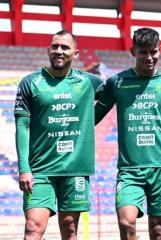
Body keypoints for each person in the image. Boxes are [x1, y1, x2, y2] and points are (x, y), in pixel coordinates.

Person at [94, 27, 161, 240]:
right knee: (126, 223)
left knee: (158, 230)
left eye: (153, 51)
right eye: (143, 52)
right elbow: (93, 117)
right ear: (132, 51)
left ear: (160, 50)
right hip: (129, 169)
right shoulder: (117, 82)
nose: (149, 57)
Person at [14, 30, 103, 239]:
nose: (59, 51)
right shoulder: (30, 82)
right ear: (48, 50)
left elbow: (124, 85)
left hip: (75, 170)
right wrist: (24, 169)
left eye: (65, 47)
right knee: (33, 228)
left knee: (70, 230)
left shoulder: (90, 81)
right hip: (39, 170)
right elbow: (21, 127)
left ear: (76, 53)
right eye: (55, 46)